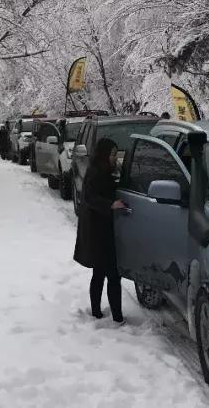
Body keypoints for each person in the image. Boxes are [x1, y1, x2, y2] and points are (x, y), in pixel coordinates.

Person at [73, 137, 127, 323]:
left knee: (108, 274)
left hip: (105, 230)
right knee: (104, 273)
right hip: (97, 232)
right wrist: (111, 204)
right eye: (113, 155)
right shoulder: (95, 172)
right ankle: (103, 313)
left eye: (116, 154)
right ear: (104, 155)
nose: (115, 158)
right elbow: (89, 197)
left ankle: (113, 314)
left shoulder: (105, 170)